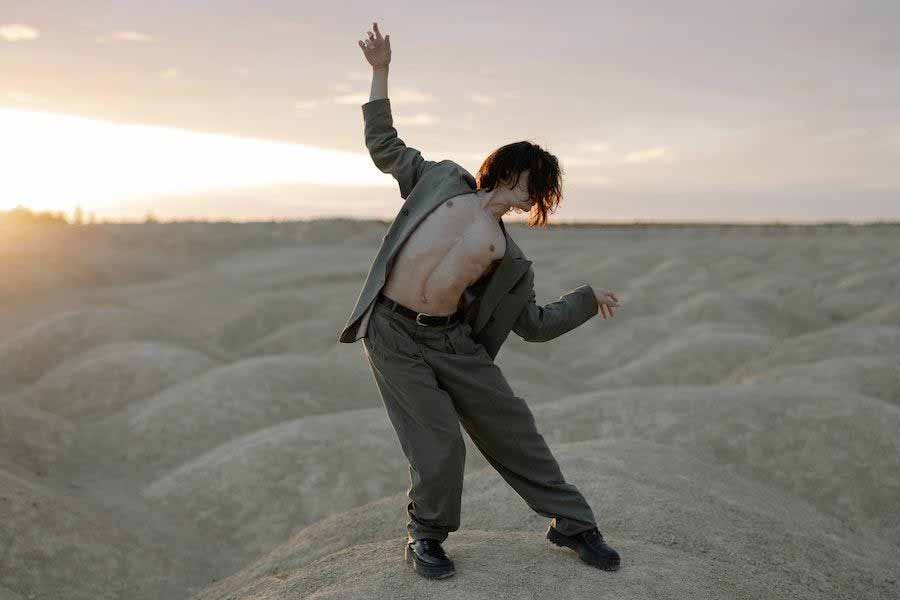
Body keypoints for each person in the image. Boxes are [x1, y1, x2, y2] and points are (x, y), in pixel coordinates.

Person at [346, 21, 622, 579]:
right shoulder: (440, 181)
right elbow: (384, 145)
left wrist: (588, 299)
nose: (530, 197)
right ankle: (426, 536)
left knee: (514, 427)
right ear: (510, 168)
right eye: (530, 183)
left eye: (539, 194)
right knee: (440, 444)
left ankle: (572, 524)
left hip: (450, 340)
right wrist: (380, 72)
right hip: (393, 334)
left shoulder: (508, 256)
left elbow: (535, 324)